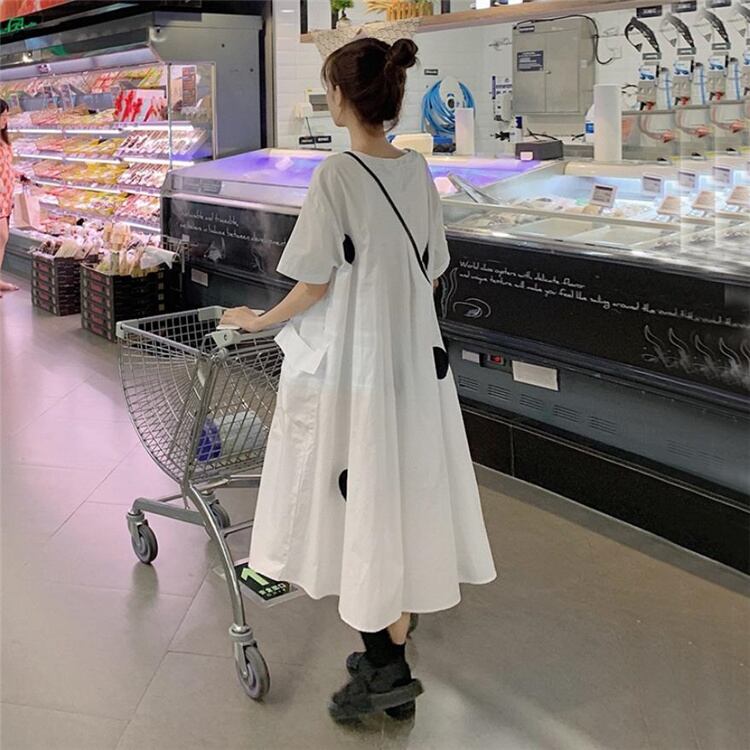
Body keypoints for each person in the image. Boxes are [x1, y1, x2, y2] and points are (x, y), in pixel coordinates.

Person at [221, 37, 496, 722]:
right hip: (414, 365)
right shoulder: (418, 169)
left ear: (341, 98)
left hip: (356, 367)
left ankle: (385, 667)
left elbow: (313, 282)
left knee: (357, 498)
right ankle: (390, 646)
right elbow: (432, 266)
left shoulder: (336, 175)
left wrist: (256, 321)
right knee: (396, 492)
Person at [0, 98, 21, 297]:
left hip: (6, 197)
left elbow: (7, 166)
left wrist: (19, 175)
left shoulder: (4, 140)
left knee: (2, 240)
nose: (5, 120)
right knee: (2, 236)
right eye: (2, 116)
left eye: (7, 116)